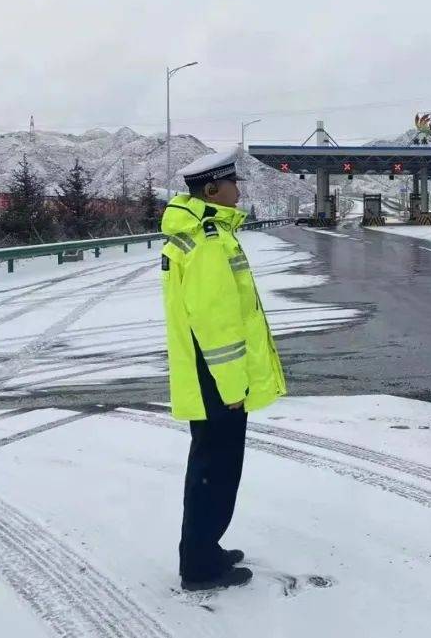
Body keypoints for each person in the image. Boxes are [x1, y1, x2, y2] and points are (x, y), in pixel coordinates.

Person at [160, 147, 287, 591]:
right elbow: (217, 324)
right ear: (213, 189)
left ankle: (204, 549)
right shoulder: (207, 242)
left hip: (210, 376)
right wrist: (234, 386)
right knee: (214, 471)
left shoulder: (204, 234)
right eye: (233, 184)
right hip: (217, 379)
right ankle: (199, 566)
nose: (239, 192)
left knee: (211, 469)